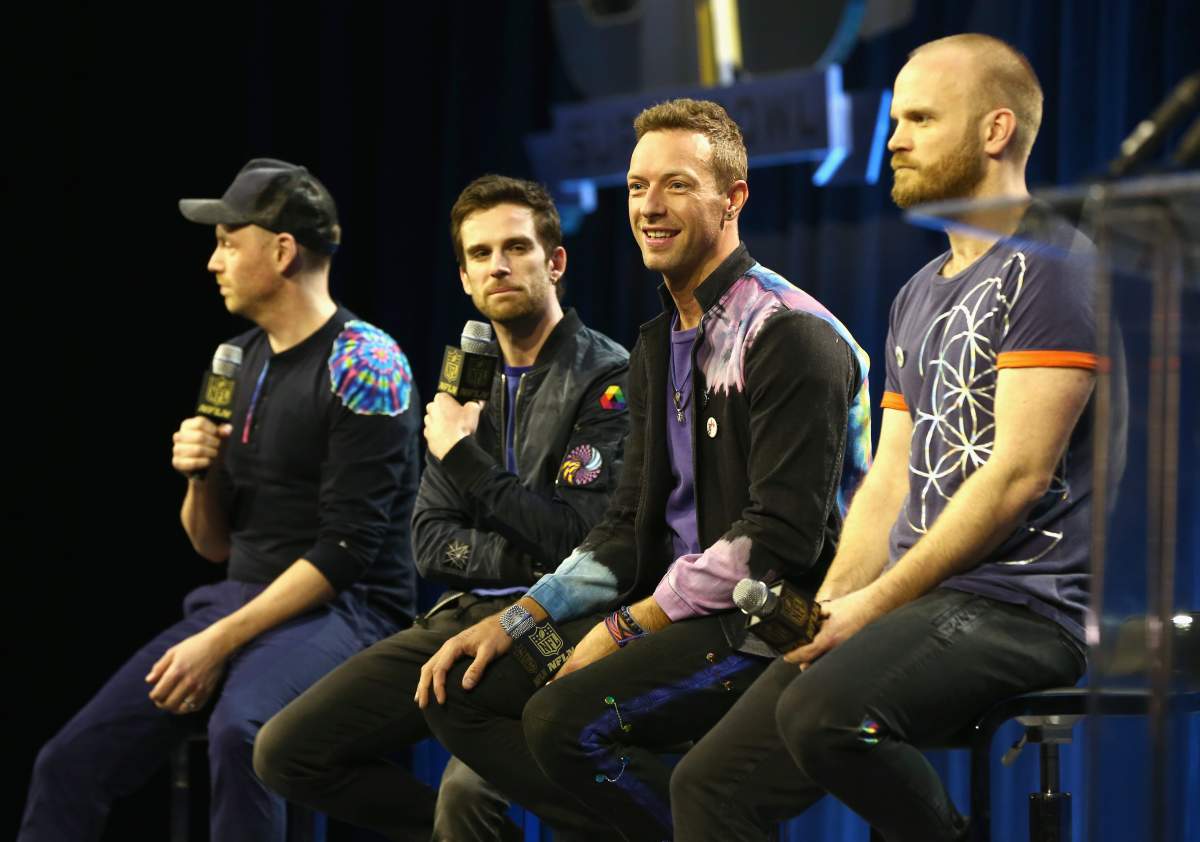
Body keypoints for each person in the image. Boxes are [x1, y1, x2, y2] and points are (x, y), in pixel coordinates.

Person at [670, 34, 1113, 842]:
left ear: (995, 130)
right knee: (707, 785)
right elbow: (888, 478)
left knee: (826, 715)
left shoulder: (1052, 264)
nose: (895, 140)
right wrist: (830, 606)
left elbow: (1016, 474)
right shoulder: (917, 294)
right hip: (924, 601)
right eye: (895, 120)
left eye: (919, 119)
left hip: (1021, 607)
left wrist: (874, 604)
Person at [414, 99, 872, 841]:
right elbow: (626, 523)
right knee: (459, 693)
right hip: (674, 606)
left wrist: (625, 627)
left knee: (562, 722)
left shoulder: (789, 331)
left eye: (677, 185)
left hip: (769, 619)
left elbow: (778, 540)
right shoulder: (658, 342)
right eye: (636, 186)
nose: (650, 207)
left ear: (733, 199)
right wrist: (522, 616)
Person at [18, 158, 421, 842]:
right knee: (69, 761)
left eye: (229, 243)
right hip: (243, 597)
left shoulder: (365, 363)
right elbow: (212, 545)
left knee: (243, 734)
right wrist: (199, 476)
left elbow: (345, 553)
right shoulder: (233, 360)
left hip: (348, 611)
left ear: (283, 251)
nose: (213, 262)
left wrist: (217, 643)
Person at [253, 174, 631, 841]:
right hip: (461, 612)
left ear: (556, 261)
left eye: (516, 247)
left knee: (465, 798)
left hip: (560, 619)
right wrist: (515, 546)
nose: (499, 266)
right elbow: (428, 542)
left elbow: (579, 542)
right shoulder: (467, 375)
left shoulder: (607, 376)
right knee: (285, 752)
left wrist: (462, 458)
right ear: (463, 277)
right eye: (480, 254)